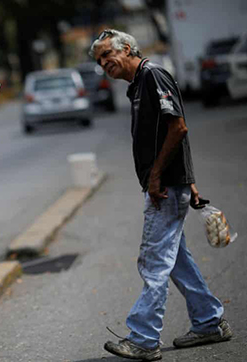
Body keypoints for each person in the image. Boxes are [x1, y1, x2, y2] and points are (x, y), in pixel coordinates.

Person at [89, 29, 232, 360]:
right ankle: (209, 322)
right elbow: (174, 131)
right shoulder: (137, 84)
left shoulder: (153, 75)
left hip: (164, 188)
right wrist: (190, 182)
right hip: (169, 184)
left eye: (107, 55)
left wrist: (159, 176)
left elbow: (179, 127)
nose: (103, 63)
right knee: (177, 262)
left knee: (154, 262)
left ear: (127, 48)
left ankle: (143, 337)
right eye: (99, 60)